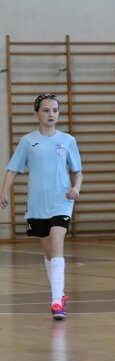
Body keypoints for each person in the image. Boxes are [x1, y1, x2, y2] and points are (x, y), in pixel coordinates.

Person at [0, 93, 83, 320]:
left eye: (55, 110)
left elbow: (77, 171)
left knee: (57, 243)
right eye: (46, 110)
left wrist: (76, 187)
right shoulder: (28, 142)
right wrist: (4, 190)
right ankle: (60, 293)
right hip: (37, 206)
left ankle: (56, 302)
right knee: (48, 251)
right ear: (37, 113)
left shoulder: (67, 141)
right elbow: (13, 169)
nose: (51, 114)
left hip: (61, 202)